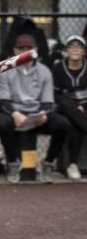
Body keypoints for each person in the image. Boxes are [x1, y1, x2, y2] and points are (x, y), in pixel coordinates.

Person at [0, 34, 73, 182]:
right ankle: (12, 162)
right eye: (21, 48)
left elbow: (47, 101)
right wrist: (15, 114)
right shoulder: (5, 69)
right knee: (1, 122)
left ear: (35, 50)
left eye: (28, 48)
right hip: (15, 114)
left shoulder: (44, 71)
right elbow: (3, 100)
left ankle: (48, 163)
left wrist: (42, 114)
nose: (25, 51)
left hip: (37, 115)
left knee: (63, 124)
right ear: (14, 50)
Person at [52, 34, 86, 180]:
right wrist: (75, 105)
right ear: (66, 50)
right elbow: (56, 95)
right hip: (66, 108)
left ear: (84, 51)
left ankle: (72, 164)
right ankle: (72, 164)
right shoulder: (59, 68)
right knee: (68, 108)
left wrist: (82, 106)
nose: (75, 50)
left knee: (76, 127)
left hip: (84, 109)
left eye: (78, 47)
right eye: (71, 47)